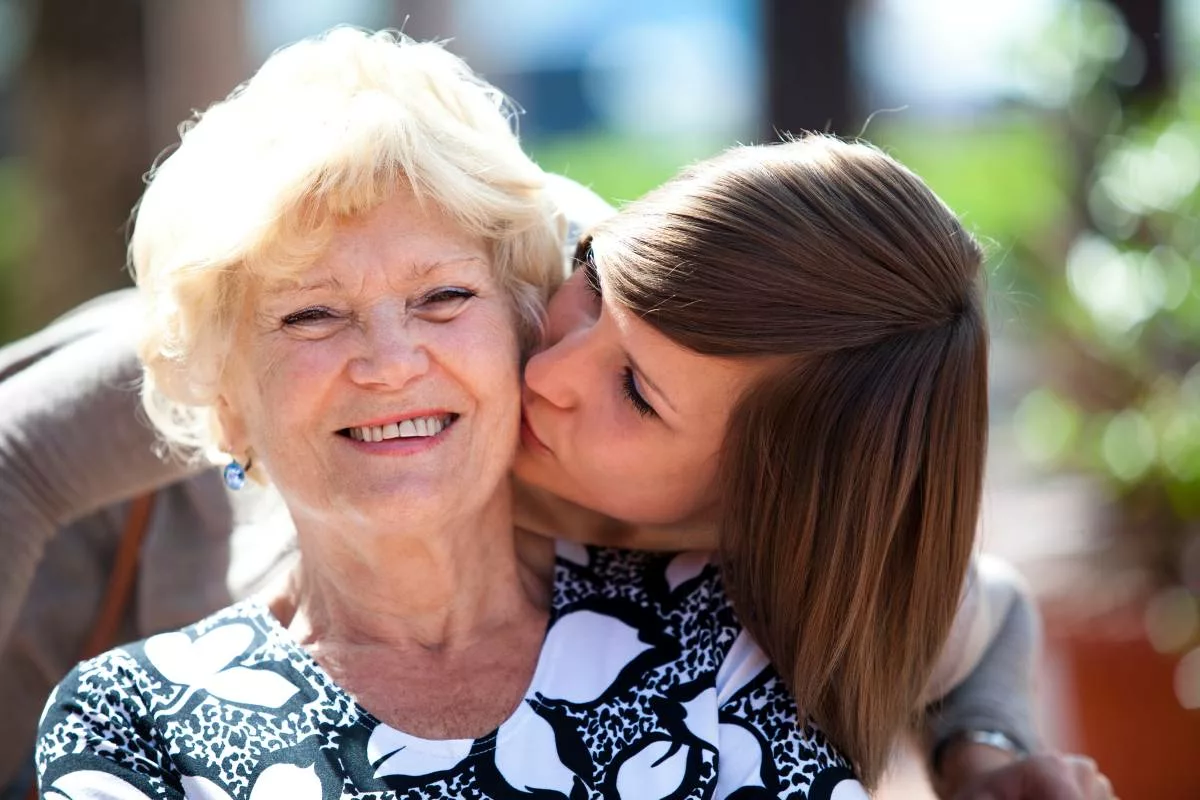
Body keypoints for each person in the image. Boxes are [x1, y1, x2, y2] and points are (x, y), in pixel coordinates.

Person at [31, 28, 864, 800]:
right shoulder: (129, 726)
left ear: (522, 333)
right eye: (311, 315)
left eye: (444, 297)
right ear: (226, 408)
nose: (391, 364)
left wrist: (987, 731)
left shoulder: (723, 636)